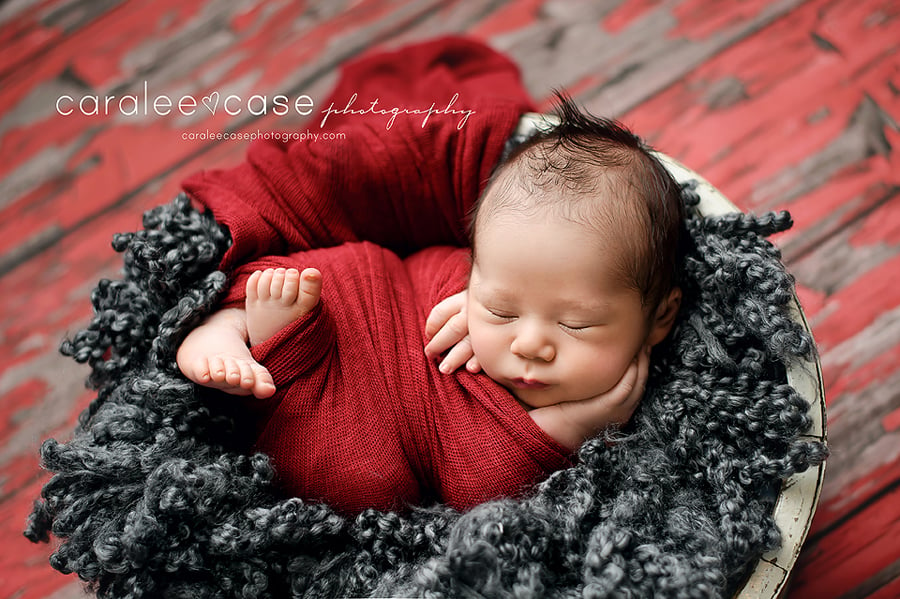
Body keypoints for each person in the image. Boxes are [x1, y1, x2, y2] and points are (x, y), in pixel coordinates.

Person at [176, 96, 684, 514]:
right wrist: (464, 296)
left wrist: (569, 428)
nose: (529, 343)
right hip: (365, 295)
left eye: (576, 323)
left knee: (362, 483)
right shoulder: (483, 277)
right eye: (503, 310)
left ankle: (283, 353)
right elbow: (435, 263)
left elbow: (476, 492)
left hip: (363, 418)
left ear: (659, 317)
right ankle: (228, 325)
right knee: (296, 281)